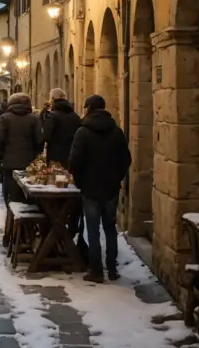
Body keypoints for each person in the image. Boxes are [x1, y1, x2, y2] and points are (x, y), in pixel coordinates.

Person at [68, 95, 131, 283]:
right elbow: (126, 160)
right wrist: (117, 177)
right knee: (110, 229)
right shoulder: (117, 132)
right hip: (110, 188)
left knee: (93, 230)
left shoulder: (83, 132)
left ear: (88, 109)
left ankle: (96, 270)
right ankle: (112, 268)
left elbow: (74, 161)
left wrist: (79, 179)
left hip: (90, 187)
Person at [0, 92, 43, 205]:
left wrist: (1, 155)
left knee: (10, 195)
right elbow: (39, 140)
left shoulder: (5, 118)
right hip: (28, 163)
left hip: (8, 163)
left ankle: (12, 218)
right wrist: (34, 154)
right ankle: (26, 219)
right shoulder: (34, 119)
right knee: (28, 194)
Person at [43, 88, 81, 166]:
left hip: (55, 154)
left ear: (52, 99)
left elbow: (46, 136)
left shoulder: (52, 116)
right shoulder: (75, 116)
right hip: (72, 153)